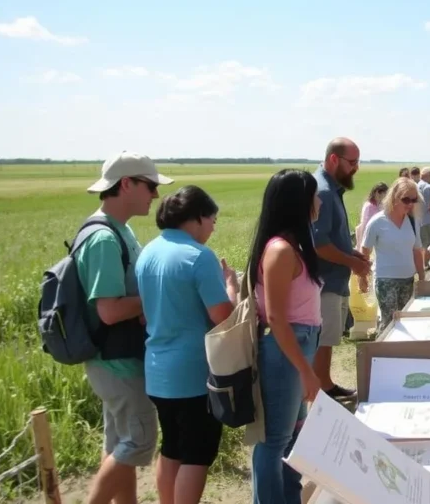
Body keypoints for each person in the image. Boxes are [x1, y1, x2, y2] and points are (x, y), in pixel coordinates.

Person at [136, 186, 239, 504]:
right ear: (197, 218)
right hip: (193, 374)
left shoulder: (148, 253)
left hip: (156, 371)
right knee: (197, 453)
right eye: (212, 220)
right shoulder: (199, 256)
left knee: (172, 447)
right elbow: (223, 317)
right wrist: (232, 287)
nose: (212, 227)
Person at [79, 151, 172, 504]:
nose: (156, 195)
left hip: (115, 358)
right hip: (116, 361)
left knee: (121, 444)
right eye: (150, 186)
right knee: (140, 441)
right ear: (127, 184)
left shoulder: (120, 230)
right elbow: (109, 310)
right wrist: (157, 298)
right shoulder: (104, 239)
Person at [249, 169, 324, 504]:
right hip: (286, 351)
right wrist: (306, 370)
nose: (319, 201)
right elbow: (277, 318)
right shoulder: (280, 250)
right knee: (275, 440)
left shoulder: (294, 245)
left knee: (295, 436)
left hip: (298, 347)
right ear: (300, 202)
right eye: (314, 195)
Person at [310, 138, 366, 403]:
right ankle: (320, 393)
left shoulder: (331, 189)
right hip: (324, 282)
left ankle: (326, 384)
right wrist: (352, 262)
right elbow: (319, 244)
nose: (356, 168)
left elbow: (332, 238)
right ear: (334, 159)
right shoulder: (321, 191)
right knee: (324, 339)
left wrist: (350, 253)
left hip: (334, 279)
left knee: (330, 338)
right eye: (352, 162)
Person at [360, 177, 426, 330]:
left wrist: (422, 278)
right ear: (394, 197)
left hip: (408, 280)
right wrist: (362, 277)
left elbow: (417, 251)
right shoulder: (377, 222)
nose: (410, 204)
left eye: (413, 200)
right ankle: (381, 352)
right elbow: (365, 250)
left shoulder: (412, 222)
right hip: (385, 281)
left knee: (406, 322)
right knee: (389, 322)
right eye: (406, 200)